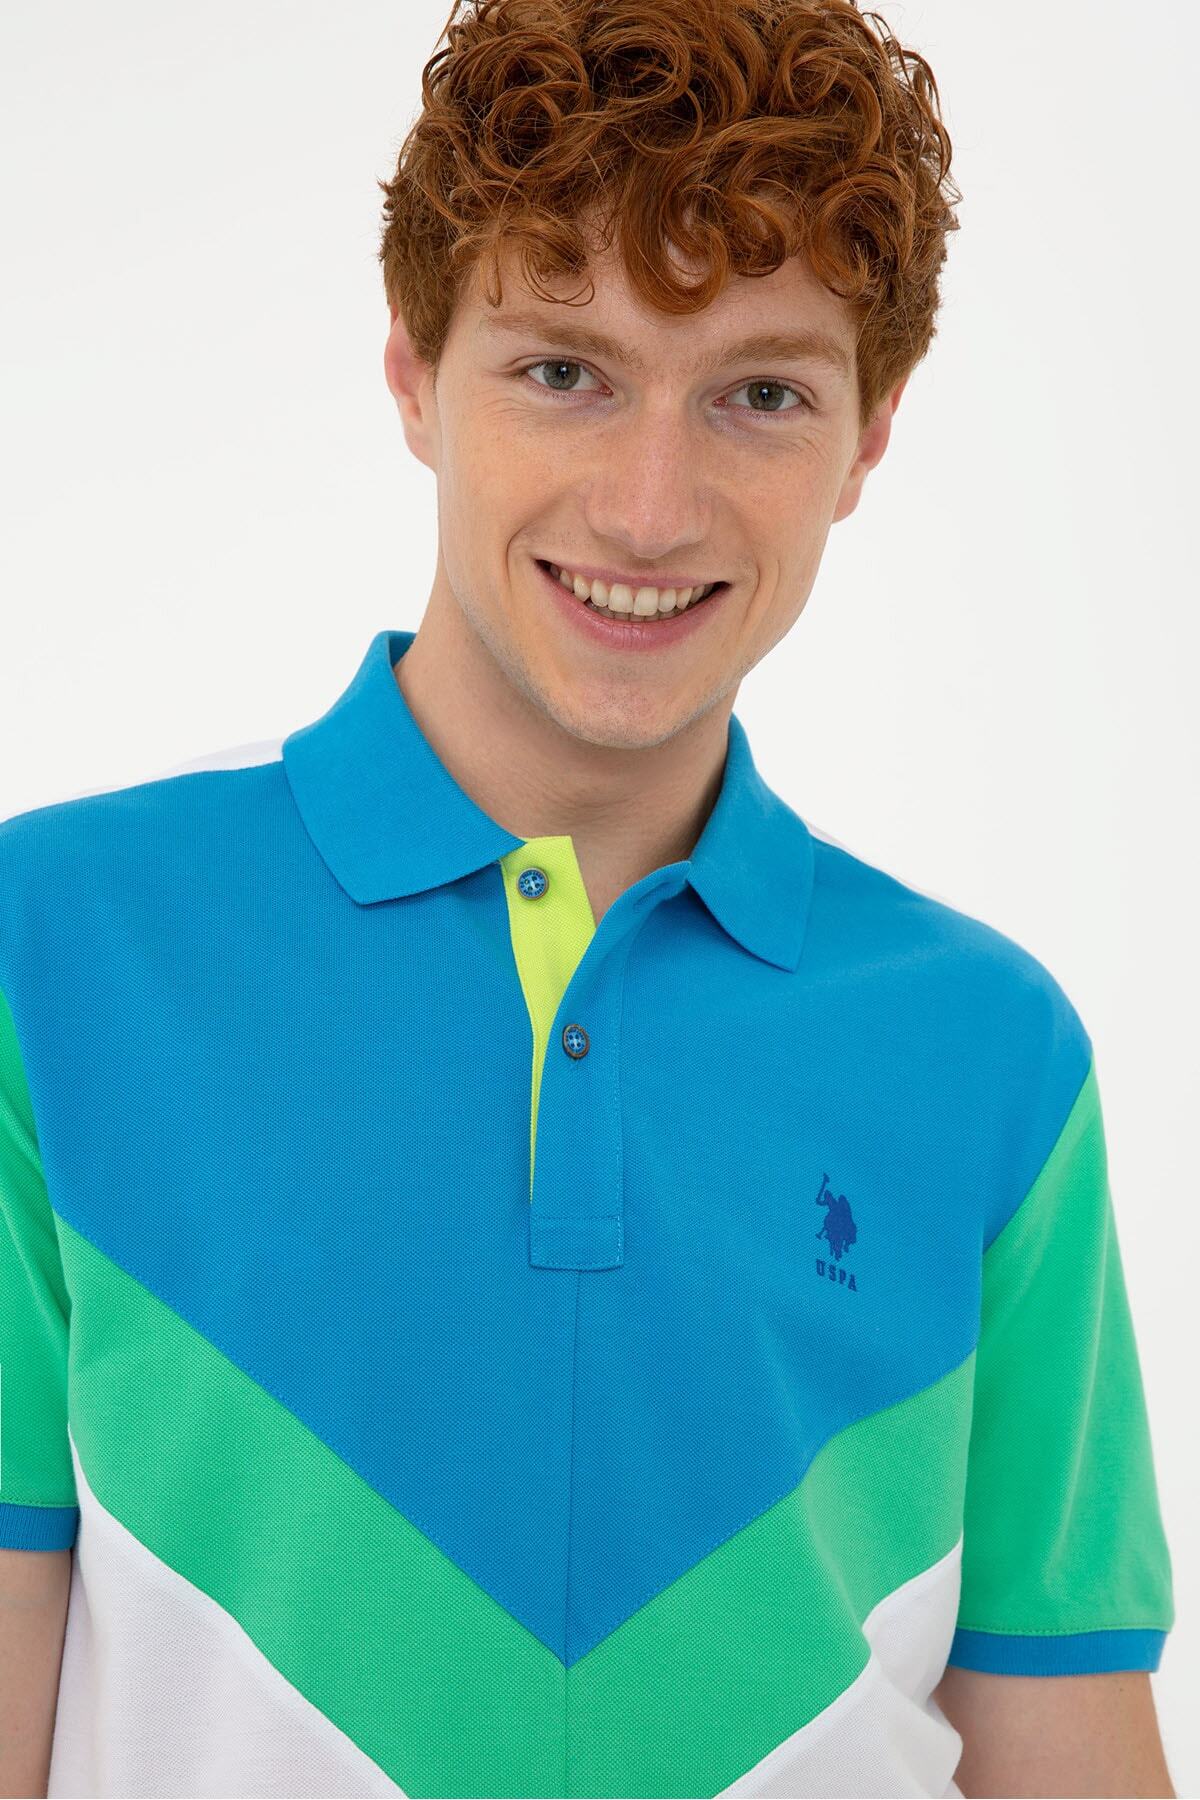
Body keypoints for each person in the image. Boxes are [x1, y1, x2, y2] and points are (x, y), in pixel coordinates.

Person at [0, 0, 1177, 1794]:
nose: (649, 507)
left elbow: (1065, 1736)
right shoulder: (54, 957)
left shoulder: (991, 1058)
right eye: (566, 371)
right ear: (413, 374)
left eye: (762, 394)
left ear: (870, 439)